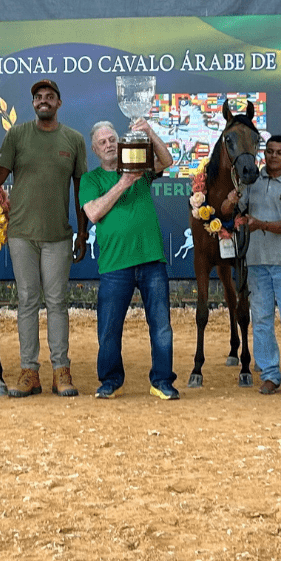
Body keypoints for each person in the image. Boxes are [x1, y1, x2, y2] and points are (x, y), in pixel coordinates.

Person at [0, 79, 89, 398]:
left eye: (49, 97)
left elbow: (80, 189)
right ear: (33, 104)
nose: (43, 101)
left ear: (59, 103)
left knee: (58, 302)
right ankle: (29, 371)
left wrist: (83, 233)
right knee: (27, 301)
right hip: (20, 235)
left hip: (58, 235)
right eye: (38, 97)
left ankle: (62, 370)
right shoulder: (17, 134)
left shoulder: (73, 139)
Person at [79, 119, 178, 400]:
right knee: (109, 329)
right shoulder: (91, 179)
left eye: (112, 139)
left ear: (120, 142)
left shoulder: (140, 167)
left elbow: (167, 160)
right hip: (114, 265)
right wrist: (124, 182)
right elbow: (94, 212)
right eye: (103, 142)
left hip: (151, 259)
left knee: (161, 326)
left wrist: (149, 132)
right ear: (95, 150)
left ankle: (162, 381)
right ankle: (111, 381)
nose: (109, 144)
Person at [226, 134, 281, 396]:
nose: (273, 156)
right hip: (255, 261)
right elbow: (230, 209)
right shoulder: (250, 184)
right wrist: (229, 201)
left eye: (279, 152)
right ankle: (271, 374)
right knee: (260, 320)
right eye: (270, 151)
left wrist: (259, 224)